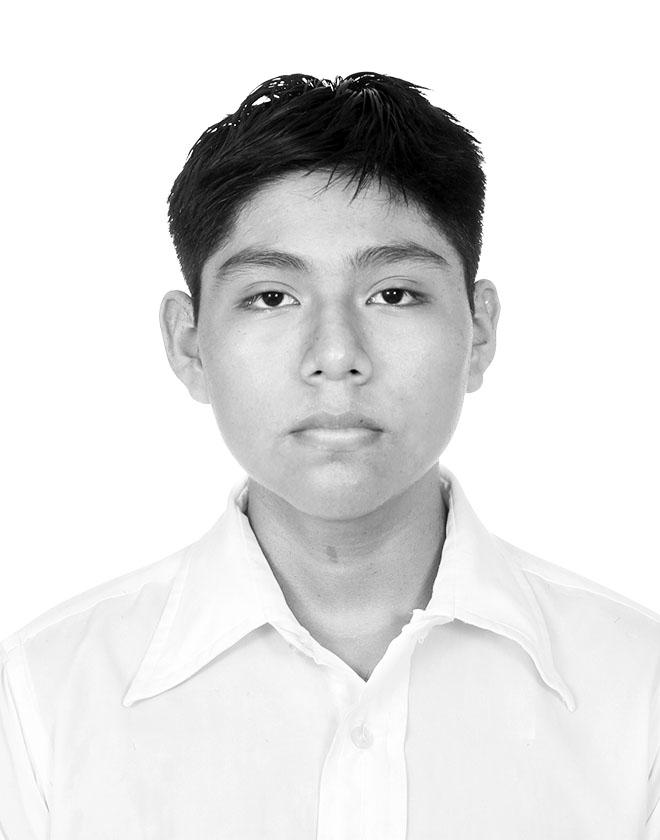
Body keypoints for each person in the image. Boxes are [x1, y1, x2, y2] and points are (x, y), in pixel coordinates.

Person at [1, 72, 658, 840]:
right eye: (272, 297)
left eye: (394, 294)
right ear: (190, 344)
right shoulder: (43, 695)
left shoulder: (638, 689)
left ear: (478, 331)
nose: (337, 354)